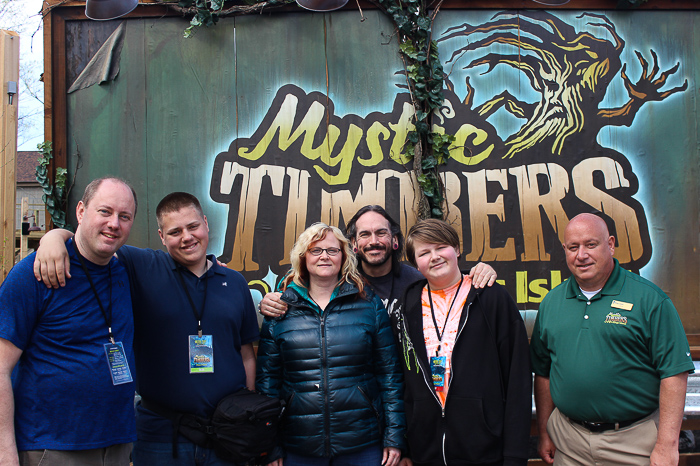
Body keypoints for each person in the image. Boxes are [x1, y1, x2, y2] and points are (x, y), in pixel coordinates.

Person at [33, 192, 259, 466]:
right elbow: (93, 238)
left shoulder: (234, 282)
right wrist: (53, 238)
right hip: (160, 437)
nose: (187, 237)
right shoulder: (141, 266)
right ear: (162, 237)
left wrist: (246, 416)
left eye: (192, 226)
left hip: (227, 434)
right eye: (175, 231)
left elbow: (246, 352)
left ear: (206, 224)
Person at [530, 213, 695, 466]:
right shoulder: (552, 302)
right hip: (569, 440)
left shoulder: (649, 299)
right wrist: (545, 432)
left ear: (610, 244)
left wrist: (667, 445)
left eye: (591, 244)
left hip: (633, 441)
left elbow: (674, 373)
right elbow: (543, 373)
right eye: (573, 247)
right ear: (564, 250)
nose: (581, 255)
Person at [0, 177, 138, 466]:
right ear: (80, 211)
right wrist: (5, 454)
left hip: (116, 445)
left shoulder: (126, 271)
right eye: (105, 211)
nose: (114, 223)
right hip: (51, 448)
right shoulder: (35, 274)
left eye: (124, 216)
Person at [256, 222, 405, 466]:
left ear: (344, 257)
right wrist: (270, 446)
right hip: (298, 445)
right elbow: (267, 383)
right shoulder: (281, 308)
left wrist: (394, 436)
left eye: (332, 250)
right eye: (316, 250)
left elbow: (389, 376)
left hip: (362, 442)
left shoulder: (369, 304)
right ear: (303, 258)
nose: (324, 256)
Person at [395, 219, 531, 466]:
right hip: (426, 450)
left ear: (456, 249)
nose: (435, 257)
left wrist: (515, 455)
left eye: (441, 247)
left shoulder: (491, 297)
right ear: (416, 263)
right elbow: (402, 379)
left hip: (484, 448)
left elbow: (517, 379)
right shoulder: (408, 304)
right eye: (424, 252)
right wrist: (405, 446)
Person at [259, 205, 497, 319]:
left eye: (381, 233)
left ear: (394, 241)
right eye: (364, 235)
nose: (374, 241)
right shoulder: (340, 282)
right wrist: (271, 301)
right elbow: (305, 294)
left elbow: (448, 280)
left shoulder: (418, 281)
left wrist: (478, 271)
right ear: (353, 244)